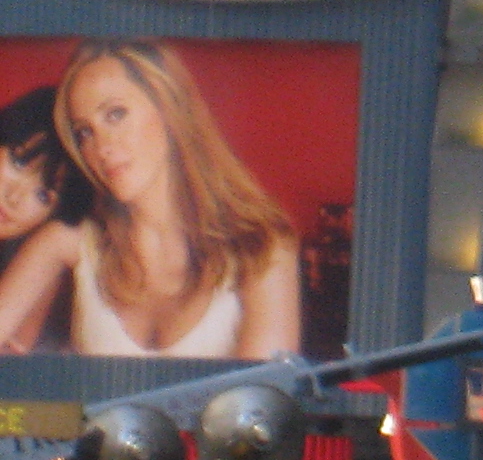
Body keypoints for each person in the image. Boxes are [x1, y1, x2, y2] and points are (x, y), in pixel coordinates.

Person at [0, 42, 303, 358]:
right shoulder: (67, 243)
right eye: (85, 132)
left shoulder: (262, 246)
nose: (101, 146)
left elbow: (264, 389)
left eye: (115, 114)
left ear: (169, 107)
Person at [0, 86, 85, 352]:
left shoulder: (41, 261)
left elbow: (14, 352)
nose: (14, 198)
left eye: (42, 195)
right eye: (18, 163)